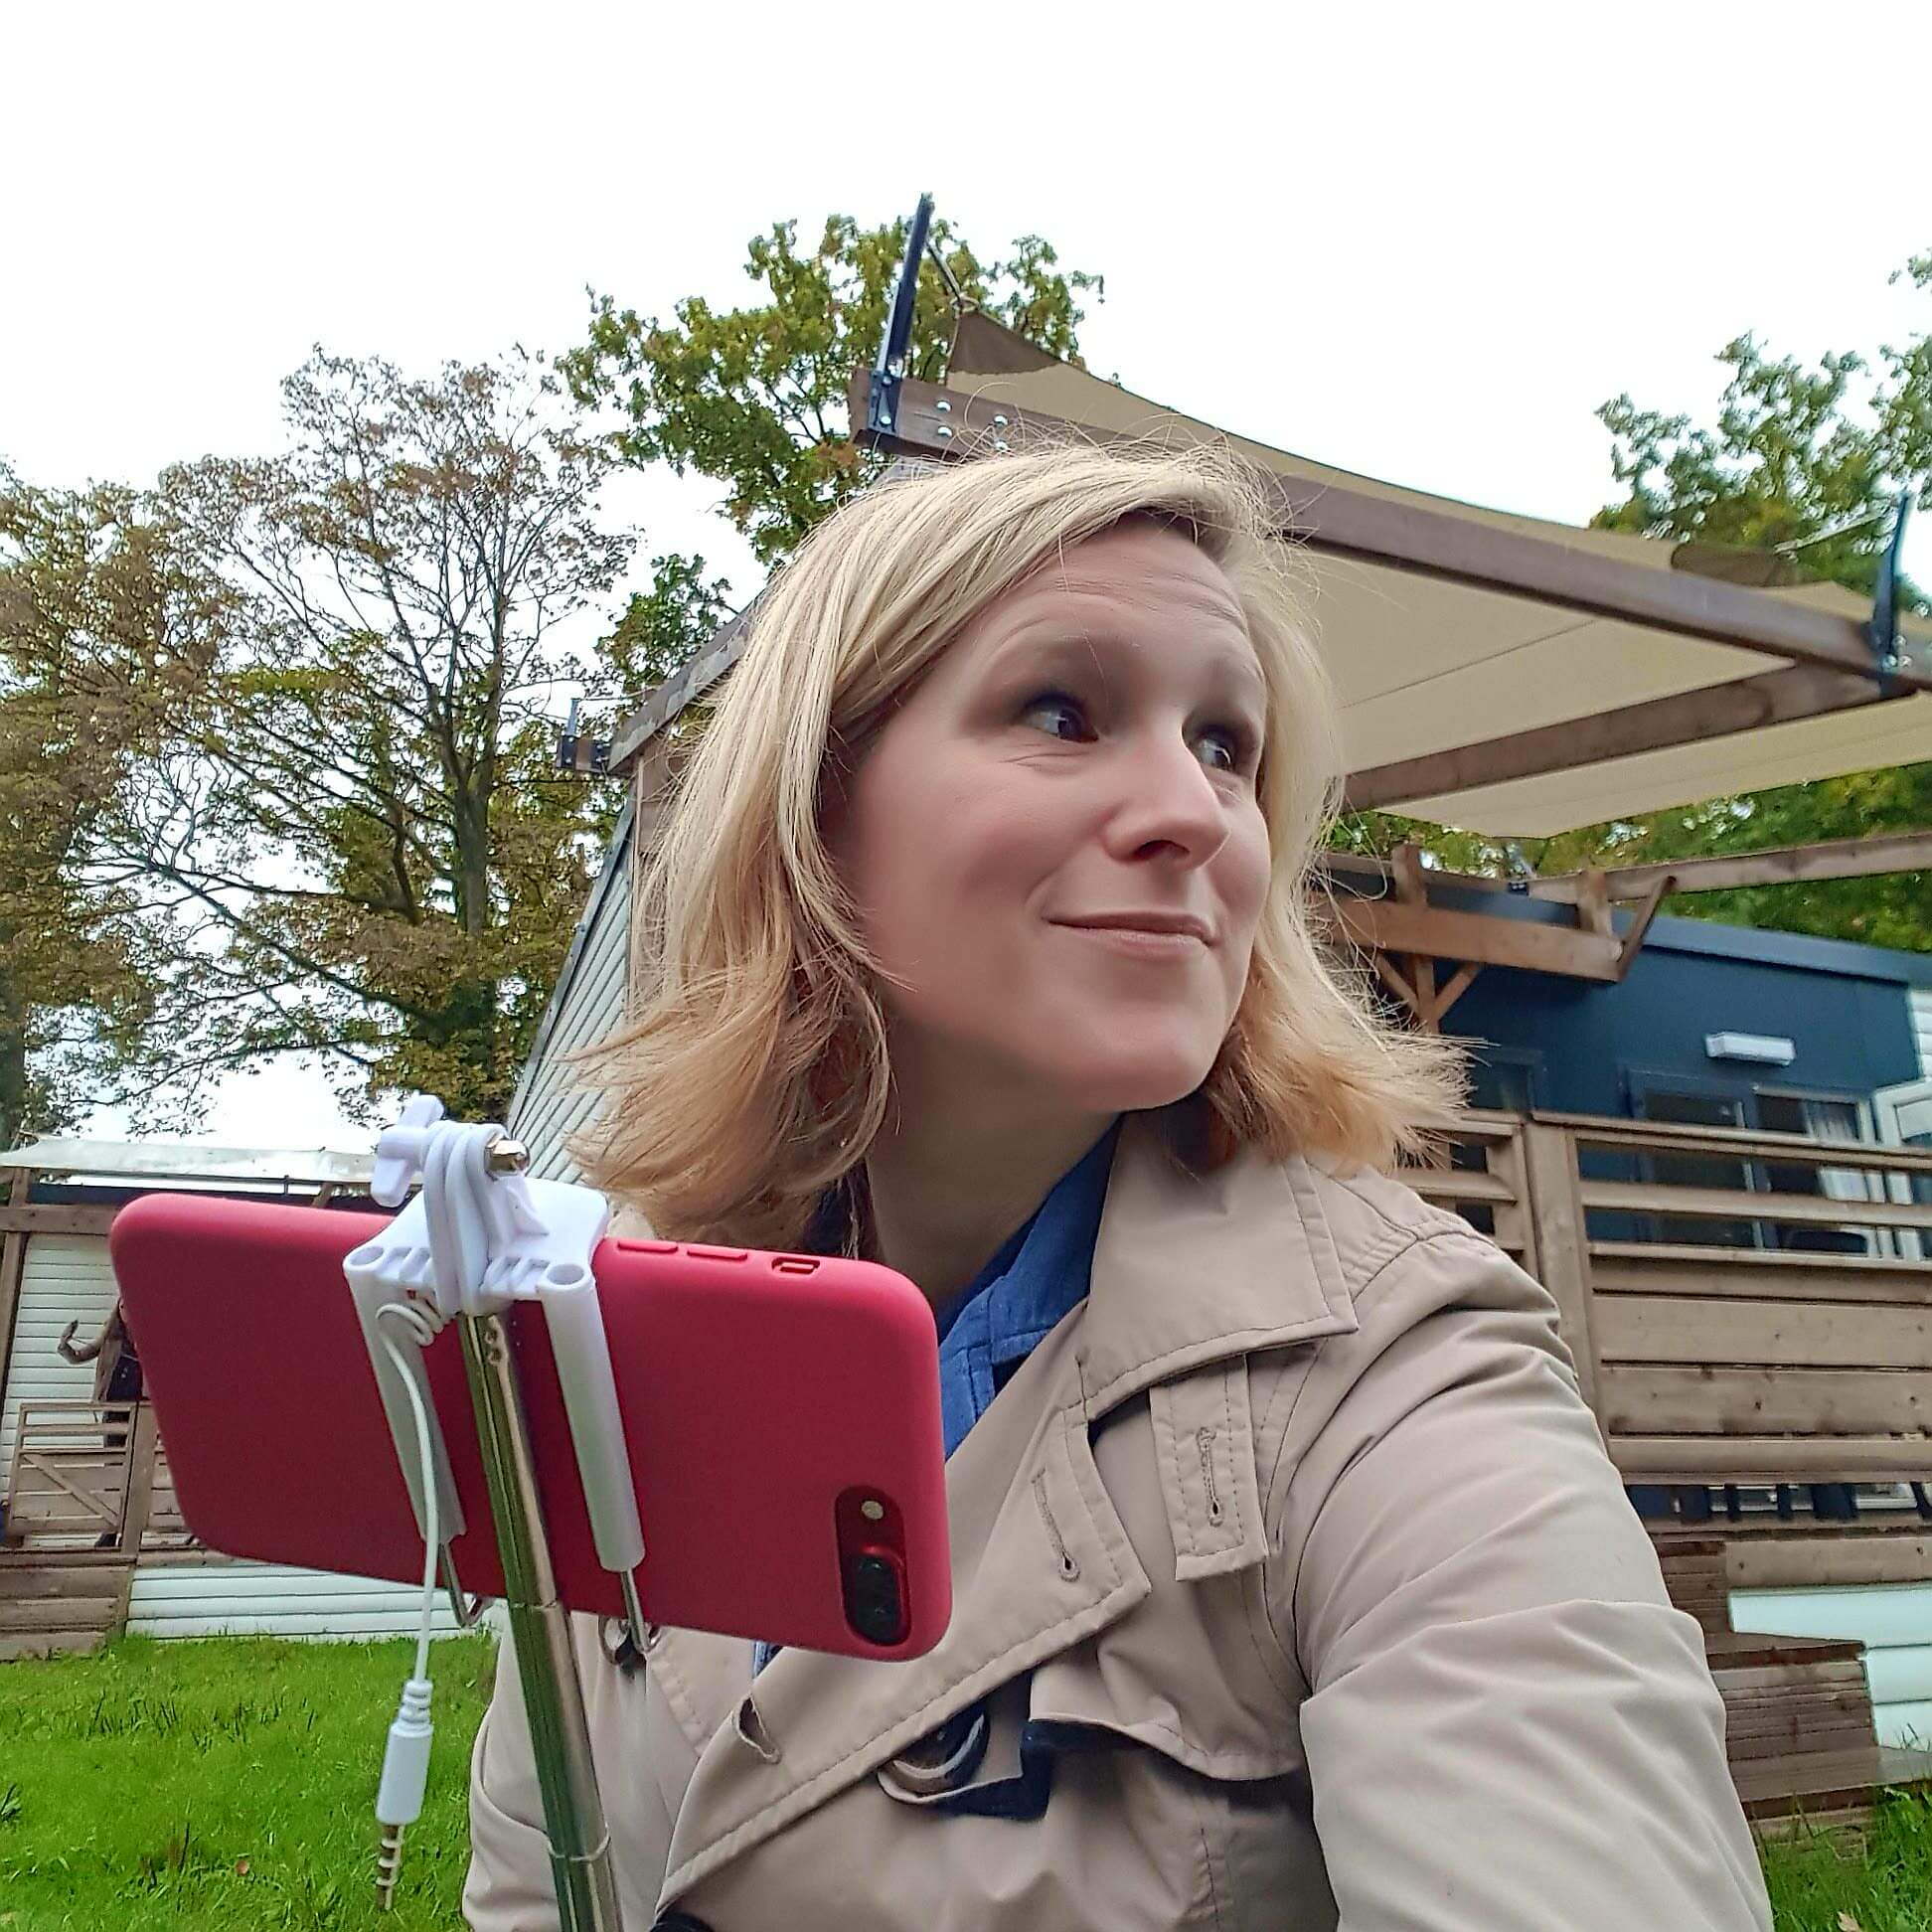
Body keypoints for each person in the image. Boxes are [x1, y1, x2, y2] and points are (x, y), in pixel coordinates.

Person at [465, 441, 1772, 1930]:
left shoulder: (1402, 1374)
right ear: (814, 809)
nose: (1194, 811)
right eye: (1062, 712)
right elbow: (530, 1873)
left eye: (1225, 744)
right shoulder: (613, 1319)